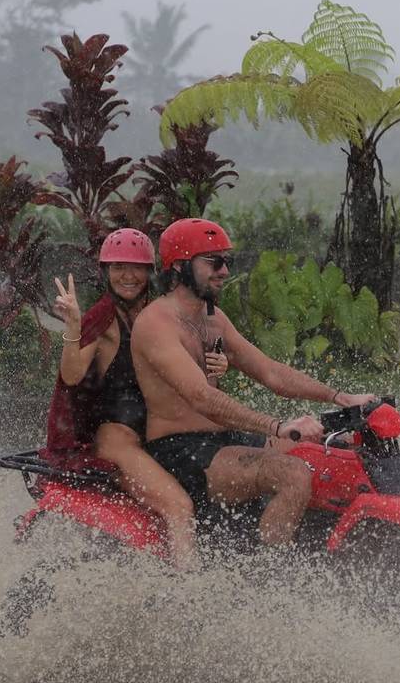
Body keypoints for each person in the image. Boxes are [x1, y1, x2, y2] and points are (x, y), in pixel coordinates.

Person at [131, 217, 376, 546]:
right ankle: (268, 579)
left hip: (222, 441)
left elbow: (271, 372)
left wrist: (341, 397)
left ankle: (323, 546)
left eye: (227, 262)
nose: (225, 271)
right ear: (178, 267)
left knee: (330, 449)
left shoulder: (212, 319)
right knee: (293, 474)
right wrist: (278, 427)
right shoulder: (156, 323)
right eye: (214, 262)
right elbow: (201, 397)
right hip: (181, 451)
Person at [46, 228, 228, 566]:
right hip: (120, 438)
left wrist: (218, 365)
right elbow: (71, 376)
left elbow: (194, 380)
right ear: (106, 272)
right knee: (178, 506)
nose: (128, 276)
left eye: (136, 267)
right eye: (118, 268)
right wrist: (73, 327)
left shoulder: (162, 314)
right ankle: (190, 597)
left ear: (150, 272)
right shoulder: (102, 320)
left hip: (163, 433)